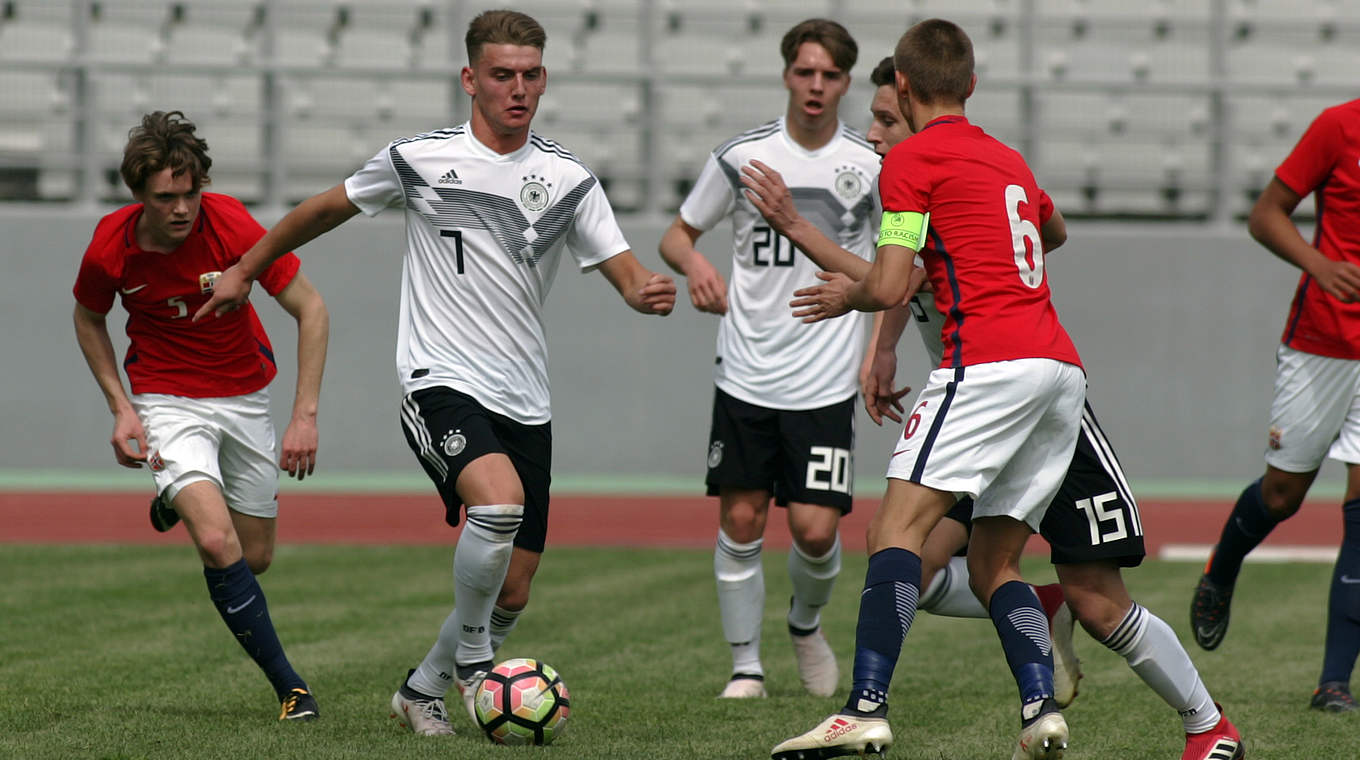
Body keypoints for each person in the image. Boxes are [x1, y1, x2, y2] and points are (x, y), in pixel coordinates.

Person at [746, 55, 1245, 760]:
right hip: (1035, 381)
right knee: (984, 567)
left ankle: (865, 707)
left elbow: (892, 282)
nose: (876, 132)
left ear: (913, 97)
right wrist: (887, 341)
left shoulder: (921, 169)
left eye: (887, 117)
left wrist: (806, 239)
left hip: (995, 383)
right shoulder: (997, 162)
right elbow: (947, 269)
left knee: (914, 542)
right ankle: (1056, 703)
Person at [197, 9, 676, 737]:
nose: (519, 88)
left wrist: (648, 291)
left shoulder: (567, 179)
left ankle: (422, 690)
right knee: (498, 502)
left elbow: (628, 273)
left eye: (531, 75)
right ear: (470, 79)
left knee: (514, 585)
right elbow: (321, 211)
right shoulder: (419, 159)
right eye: (502, 75)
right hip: (438, 377)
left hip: (526, 396)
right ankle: (478, 663)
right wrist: (243, 270)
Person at [71, 111, 329, 722]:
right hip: (166, 400)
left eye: (191, 193)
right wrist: (120, 408)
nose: (182, 208)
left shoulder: (231, 223)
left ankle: (171, 499)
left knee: (255, 555)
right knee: (217, 541)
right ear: (138, 196)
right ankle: (291, 688)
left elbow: (311, 308)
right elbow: (87, 318)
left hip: (245, 400)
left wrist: (305, 416)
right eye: (166, 197)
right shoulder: (112, 245)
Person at [656, 18, 880, 700]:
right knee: (743, 519)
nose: (816, 87)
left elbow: (903, 264)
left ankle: (805, 624)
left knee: (814, 531)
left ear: (845, 82)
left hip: (826, 377)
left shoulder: (872, 166)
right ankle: (745, 665)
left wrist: (879, 348)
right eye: (805, 72)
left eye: (830, 76)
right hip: (748, 368)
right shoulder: (743, 158)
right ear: (787, 74)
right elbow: (677, 233)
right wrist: (693, 263)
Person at [1191, 97, 1360, 714]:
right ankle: (1223, 565)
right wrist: (1319, 265)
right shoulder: (1339, 126)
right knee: (1284, 496)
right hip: (1321, 343)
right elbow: (1267, 215)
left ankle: (1332, 683)